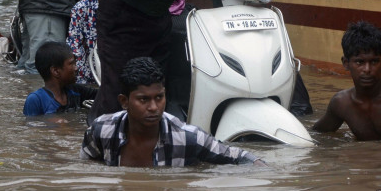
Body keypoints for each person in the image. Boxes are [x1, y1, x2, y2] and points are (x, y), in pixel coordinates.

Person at [81, 57, 263, 167]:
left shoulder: (188, 137)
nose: (153, 107)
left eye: (159, 97)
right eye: (143, 99)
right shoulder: (101, 130)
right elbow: (86, 171)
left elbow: (243, 158)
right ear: (124, 101)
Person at [312, 21, 381, 142]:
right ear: (346, 63)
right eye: (359, 62)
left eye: (374, 62)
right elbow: (315, 135)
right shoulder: (341, 103)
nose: (367, 69)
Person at [23, 41, 98, 116]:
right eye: (71, 64)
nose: (76, 68)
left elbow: (103, 94)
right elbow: (31, 125)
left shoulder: (76, 91)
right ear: (55, 71)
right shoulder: (36, 100)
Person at [66, 0, 105, 84]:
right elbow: (75, 46)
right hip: (91, 74)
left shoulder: (127, 7)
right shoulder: (81, 8)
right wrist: (84, 81)